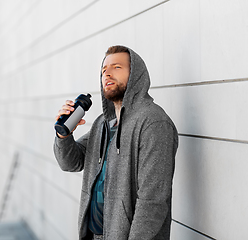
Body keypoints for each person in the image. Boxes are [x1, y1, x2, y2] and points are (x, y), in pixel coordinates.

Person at [53, 45, 178, 240]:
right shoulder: (102, 124)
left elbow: (152, 201)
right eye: (104, 70)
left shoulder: (153, 123)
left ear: (136, 75)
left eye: (117, 67)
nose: (107, 74)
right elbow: (70, 162)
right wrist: (64, 135)